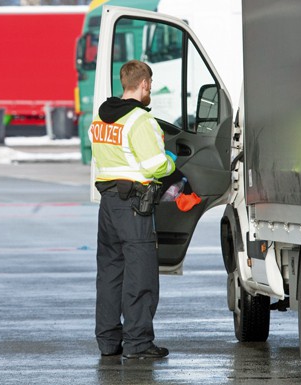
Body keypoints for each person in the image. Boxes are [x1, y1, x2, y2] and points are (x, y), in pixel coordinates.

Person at [88, 60, 176, 359]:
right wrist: (173, 161)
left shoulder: (101, 119)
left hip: (109, 204)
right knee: (140, 275)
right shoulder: (140, 120)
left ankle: (108, 342)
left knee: (111, 273)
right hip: (134, 205)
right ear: (145, 85)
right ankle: (138, 344)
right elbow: (155, 165)